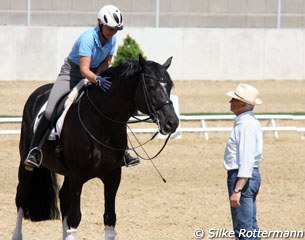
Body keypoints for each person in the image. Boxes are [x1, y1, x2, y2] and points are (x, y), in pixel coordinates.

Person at [24, 5, 139, 170]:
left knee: (113, 107)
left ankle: (123, 152)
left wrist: (99, 76)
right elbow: (84, 70)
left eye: (115, 29)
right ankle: (35, 150)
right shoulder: (87, 39)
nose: (113, 32)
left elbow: (106, 62)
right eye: (110, 28)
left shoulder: (112, 39)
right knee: (50, 110)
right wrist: (96, 79)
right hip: (72, 73)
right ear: (100, 24)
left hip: (95, 73)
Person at [223, 84, 263, 240]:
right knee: (250, 226)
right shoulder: (247, 122)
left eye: (234, 99)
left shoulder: (245, 125)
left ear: (242, 104)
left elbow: (246, 158)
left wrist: (237, 189)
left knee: (243, 230)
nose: (230, 102)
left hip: (242, 177)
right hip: (247, 176)